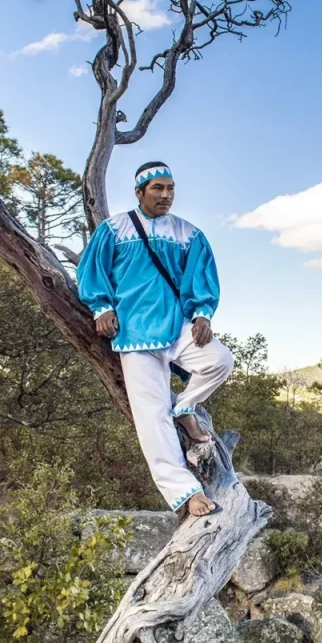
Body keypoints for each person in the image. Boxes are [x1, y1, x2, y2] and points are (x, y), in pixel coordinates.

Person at [77, 162, 233, 518]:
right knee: (151, 416)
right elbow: (91, 271)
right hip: (134, 333)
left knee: (220, 361)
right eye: (157, 189)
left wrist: (202, 315)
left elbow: (201, 278)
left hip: (177, 327)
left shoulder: (188, 233)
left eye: (170, 188)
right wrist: (101, 307)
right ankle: (185, 492)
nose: (165, 195)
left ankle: (186, 408)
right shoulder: (113, 229)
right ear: (139, 192)